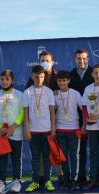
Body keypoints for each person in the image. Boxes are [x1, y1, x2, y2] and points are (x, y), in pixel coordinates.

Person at [25, 51, 62, 185]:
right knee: (40, 154)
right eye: (42, 60)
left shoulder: (58, 77)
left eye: (47, 60)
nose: (45, 63)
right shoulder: (32, 80)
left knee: (55, 149)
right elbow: (27, 102)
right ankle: (41, 177)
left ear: (52, 62)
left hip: (57, 118)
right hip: (38, 121)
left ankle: (60, 175)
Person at [0, 69, 24, 194]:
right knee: (2, 158)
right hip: (1, 134)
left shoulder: (19, 94)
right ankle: (1, 183)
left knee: (16, 158)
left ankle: (17, 182)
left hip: (15, 133)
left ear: (12, 80)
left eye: (7, 79)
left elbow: (22, 112)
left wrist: (13, 126)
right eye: (2, 79)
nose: (4, 81)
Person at [23, 65, 56, 192]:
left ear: (44, 77)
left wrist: (53, 127)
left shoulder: (48, 92)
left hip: (47, 130)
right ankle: (35, 181)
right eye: (36, 77)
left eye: (41, 77)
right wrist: (26, 129)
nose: (38, 79)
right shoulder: (27, 92)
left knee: (47, 157)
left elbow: (52, 111)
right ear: (32, 76)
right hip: (33, 131)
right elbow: (25, 112)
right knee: (35, 157)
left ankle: (48, 180)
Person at [54, 70, 83, 190]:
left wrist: (84, 126)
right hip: (60, 130)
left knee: (74, 155)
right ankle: (66, 179)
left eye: (64, 80)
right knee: (63, 156)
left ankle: (74, 180)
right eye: (60, 81)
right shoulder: (54, 95)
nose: (62, 83)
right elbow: (52, 112)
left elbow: (84, 110)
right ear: (57, 82)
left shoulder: (75, 94)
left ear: (69, 81)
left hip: (73, 130)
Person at [69, 48, 94, 186]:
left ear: (88, 59)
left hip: (95, 118)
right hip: (76, 118)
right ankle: (81, 176)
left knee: (95, 149)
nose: (82, 61)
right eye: (79, 58)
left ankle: (95, 177)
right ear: (75, 59)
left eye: (84, 58)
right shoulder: (70, 75)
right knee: (80, 150)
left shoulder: (94, 73)